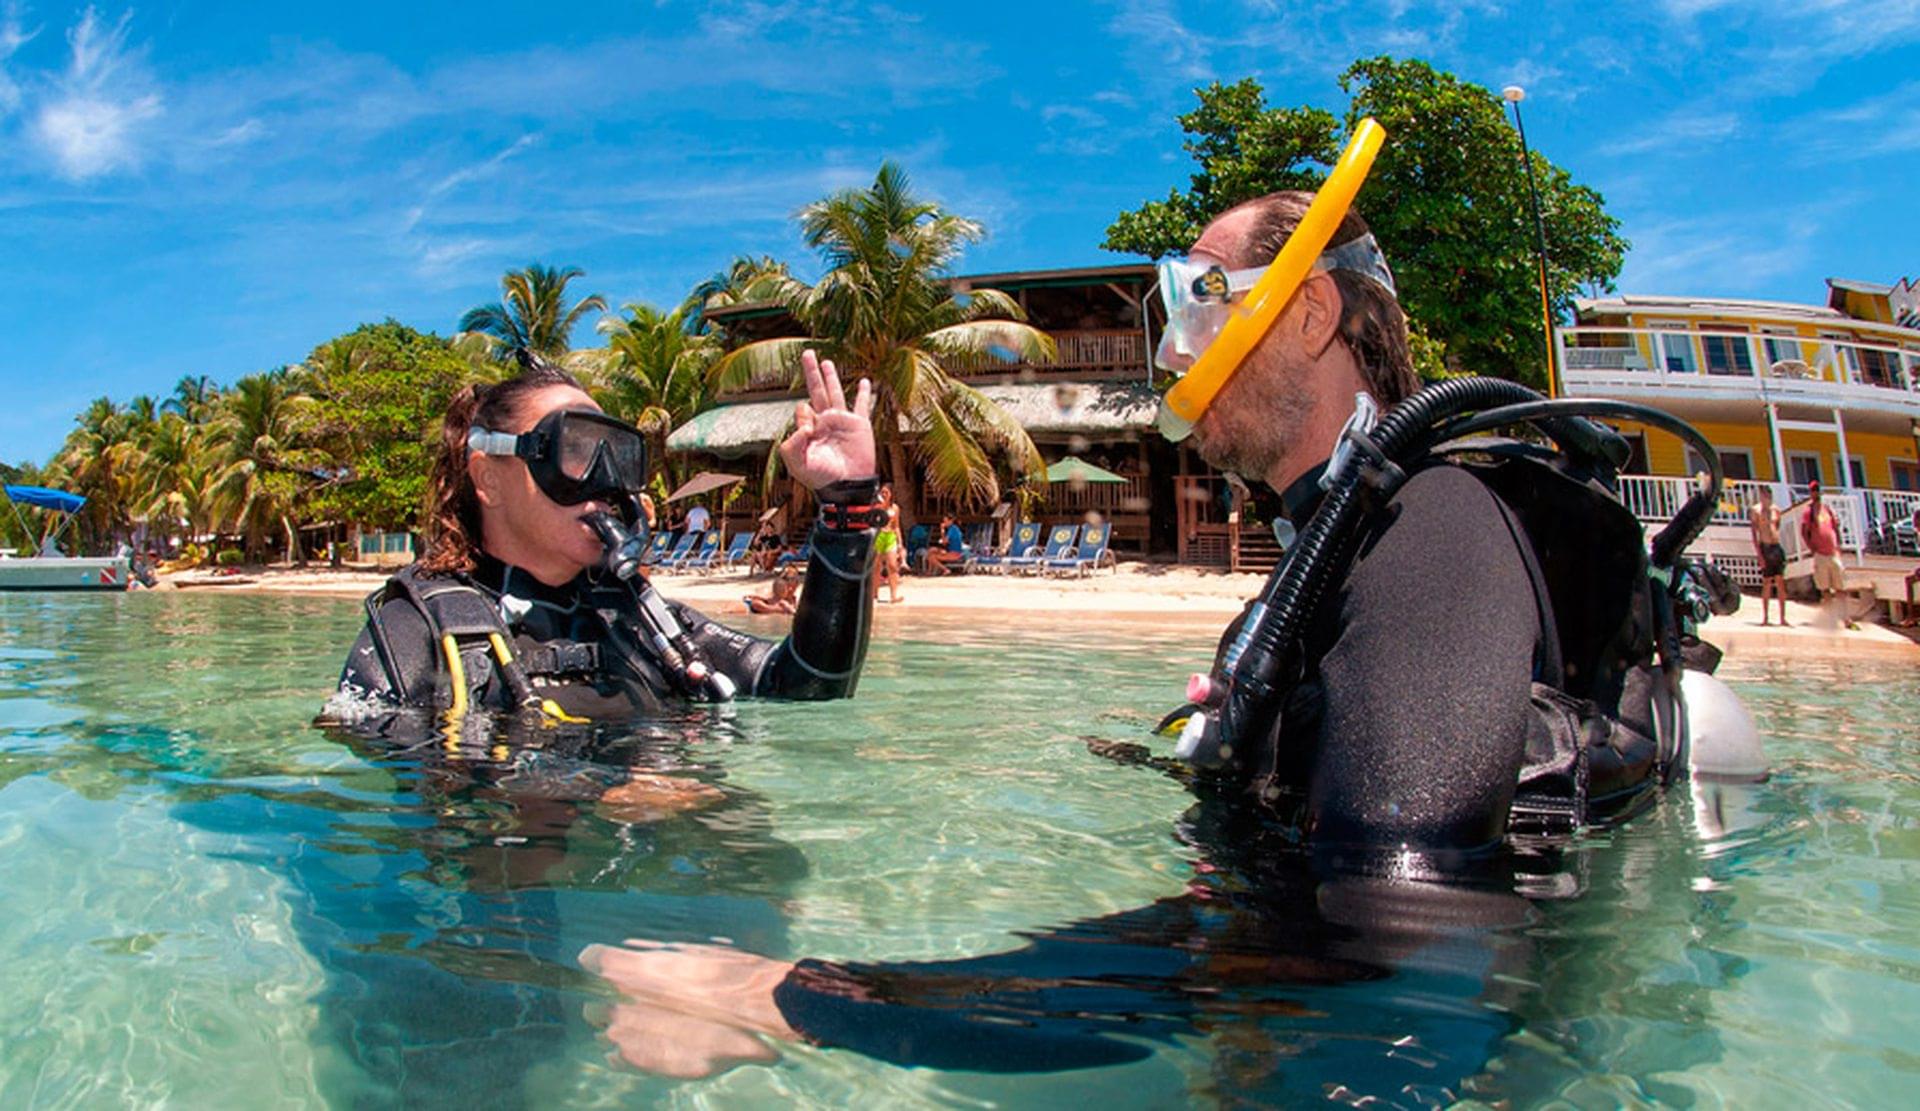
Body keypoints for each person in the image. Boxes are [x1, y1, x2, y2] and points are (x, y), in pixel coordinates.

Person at [581, 177, 1722, 1080]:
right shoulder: (1334, 558)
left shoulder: (1432, 523)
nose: (1171, 349)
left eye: (1196, 300)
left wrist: (807, 1000)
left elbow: (1398, 955)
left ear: (1313, 309)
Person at [330, 348, 883, 722]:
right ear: (488, 479)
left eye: (617, 456)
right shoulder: (416, 632)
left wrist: (849, 504)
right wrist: (602, 788)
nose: (605, 483)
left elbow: (812, 684)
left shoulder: (640, 620)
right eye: (575, 451)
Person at [1799, 480, 1855, 629]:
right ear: (1810, 493)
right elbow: (1804, 532)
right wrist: (1812, 548)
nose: (1816, 493)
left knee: (1840, 588)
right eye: (1813, 490)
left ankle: (1846, 618)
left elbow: (1835, 528)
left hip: (1833, 553)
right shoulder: (1808, 512)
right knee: (1825, 589)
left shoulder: (1828, 509)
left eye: (1818, 490)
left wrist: (1839, 545)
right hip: (1820, 554)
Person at [1749, 484, 1788, 625]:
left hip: (1776, 546)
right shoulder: (1756, 511)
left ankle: (1783, 618)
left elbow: (1777, 526)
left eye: (1768, 495)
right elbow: (1754, 533)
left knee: (1780, 582)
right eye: (1764, 494)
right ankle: (1765, 617)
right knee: (1766, 582)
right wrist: (1759, 554)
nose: (1766, 497)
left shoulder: (1776, 510)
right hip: (1765, 547)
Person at [870, 484, 904, 603]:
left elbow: (896, 526)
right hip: (879, 536)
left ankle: (893, 595)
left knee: (892, 566)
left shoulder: (895, 508)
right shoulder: (877, 507)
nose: (884, 494)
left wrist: (900, 543)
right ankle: (874, 594)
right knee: (876, 567)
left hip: (890, 536)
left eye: (886, 492)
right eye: (882, 492)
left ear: (891, 494)